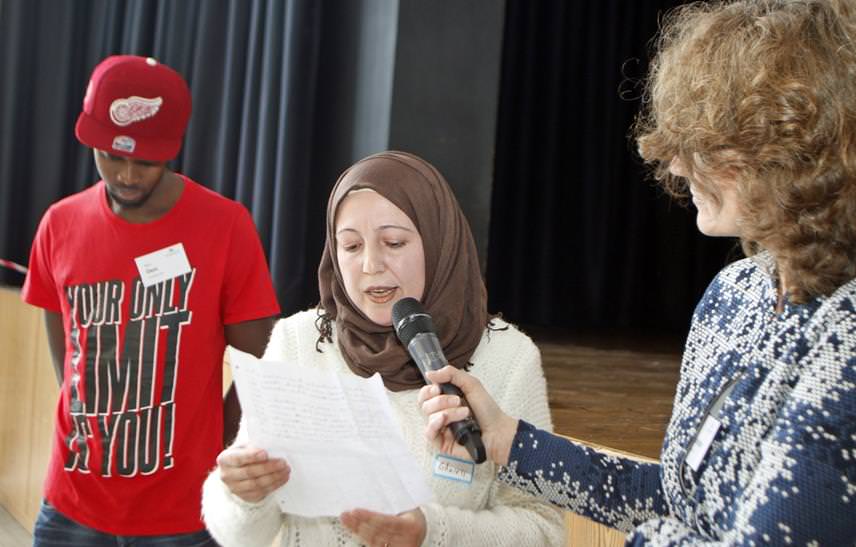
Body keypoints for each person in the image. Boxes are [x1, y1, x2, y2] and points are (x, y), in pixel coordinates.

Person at [412, 0, 856, 544]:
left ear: (793, 151)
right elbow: (680, 499)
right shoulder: (734, 294)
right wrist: (507, 441)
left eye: (704, 141)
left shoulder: (845, 338)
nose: (675, 163)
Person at [200, 151, 565, 546]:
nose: (371, 264)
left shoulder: (506, 359)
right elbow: (241, 535)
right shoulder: (298, 341)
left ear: (437, 241)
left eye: (393, 242)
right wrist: (242, 496)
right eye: (351, 246)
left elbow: (543, 530)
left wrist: (432, 532)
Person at [21, 55, 280, 544]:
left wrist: (219, 448)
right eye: (111, 156)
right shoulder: (59, 223)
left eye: (145, 162)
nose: (126, 175)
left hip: (182, 513)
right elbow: (61, 323)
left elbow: (260, 357)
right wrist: (83, 405)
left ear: (173, 149)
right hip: (72, 502)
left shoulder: (225, 226)